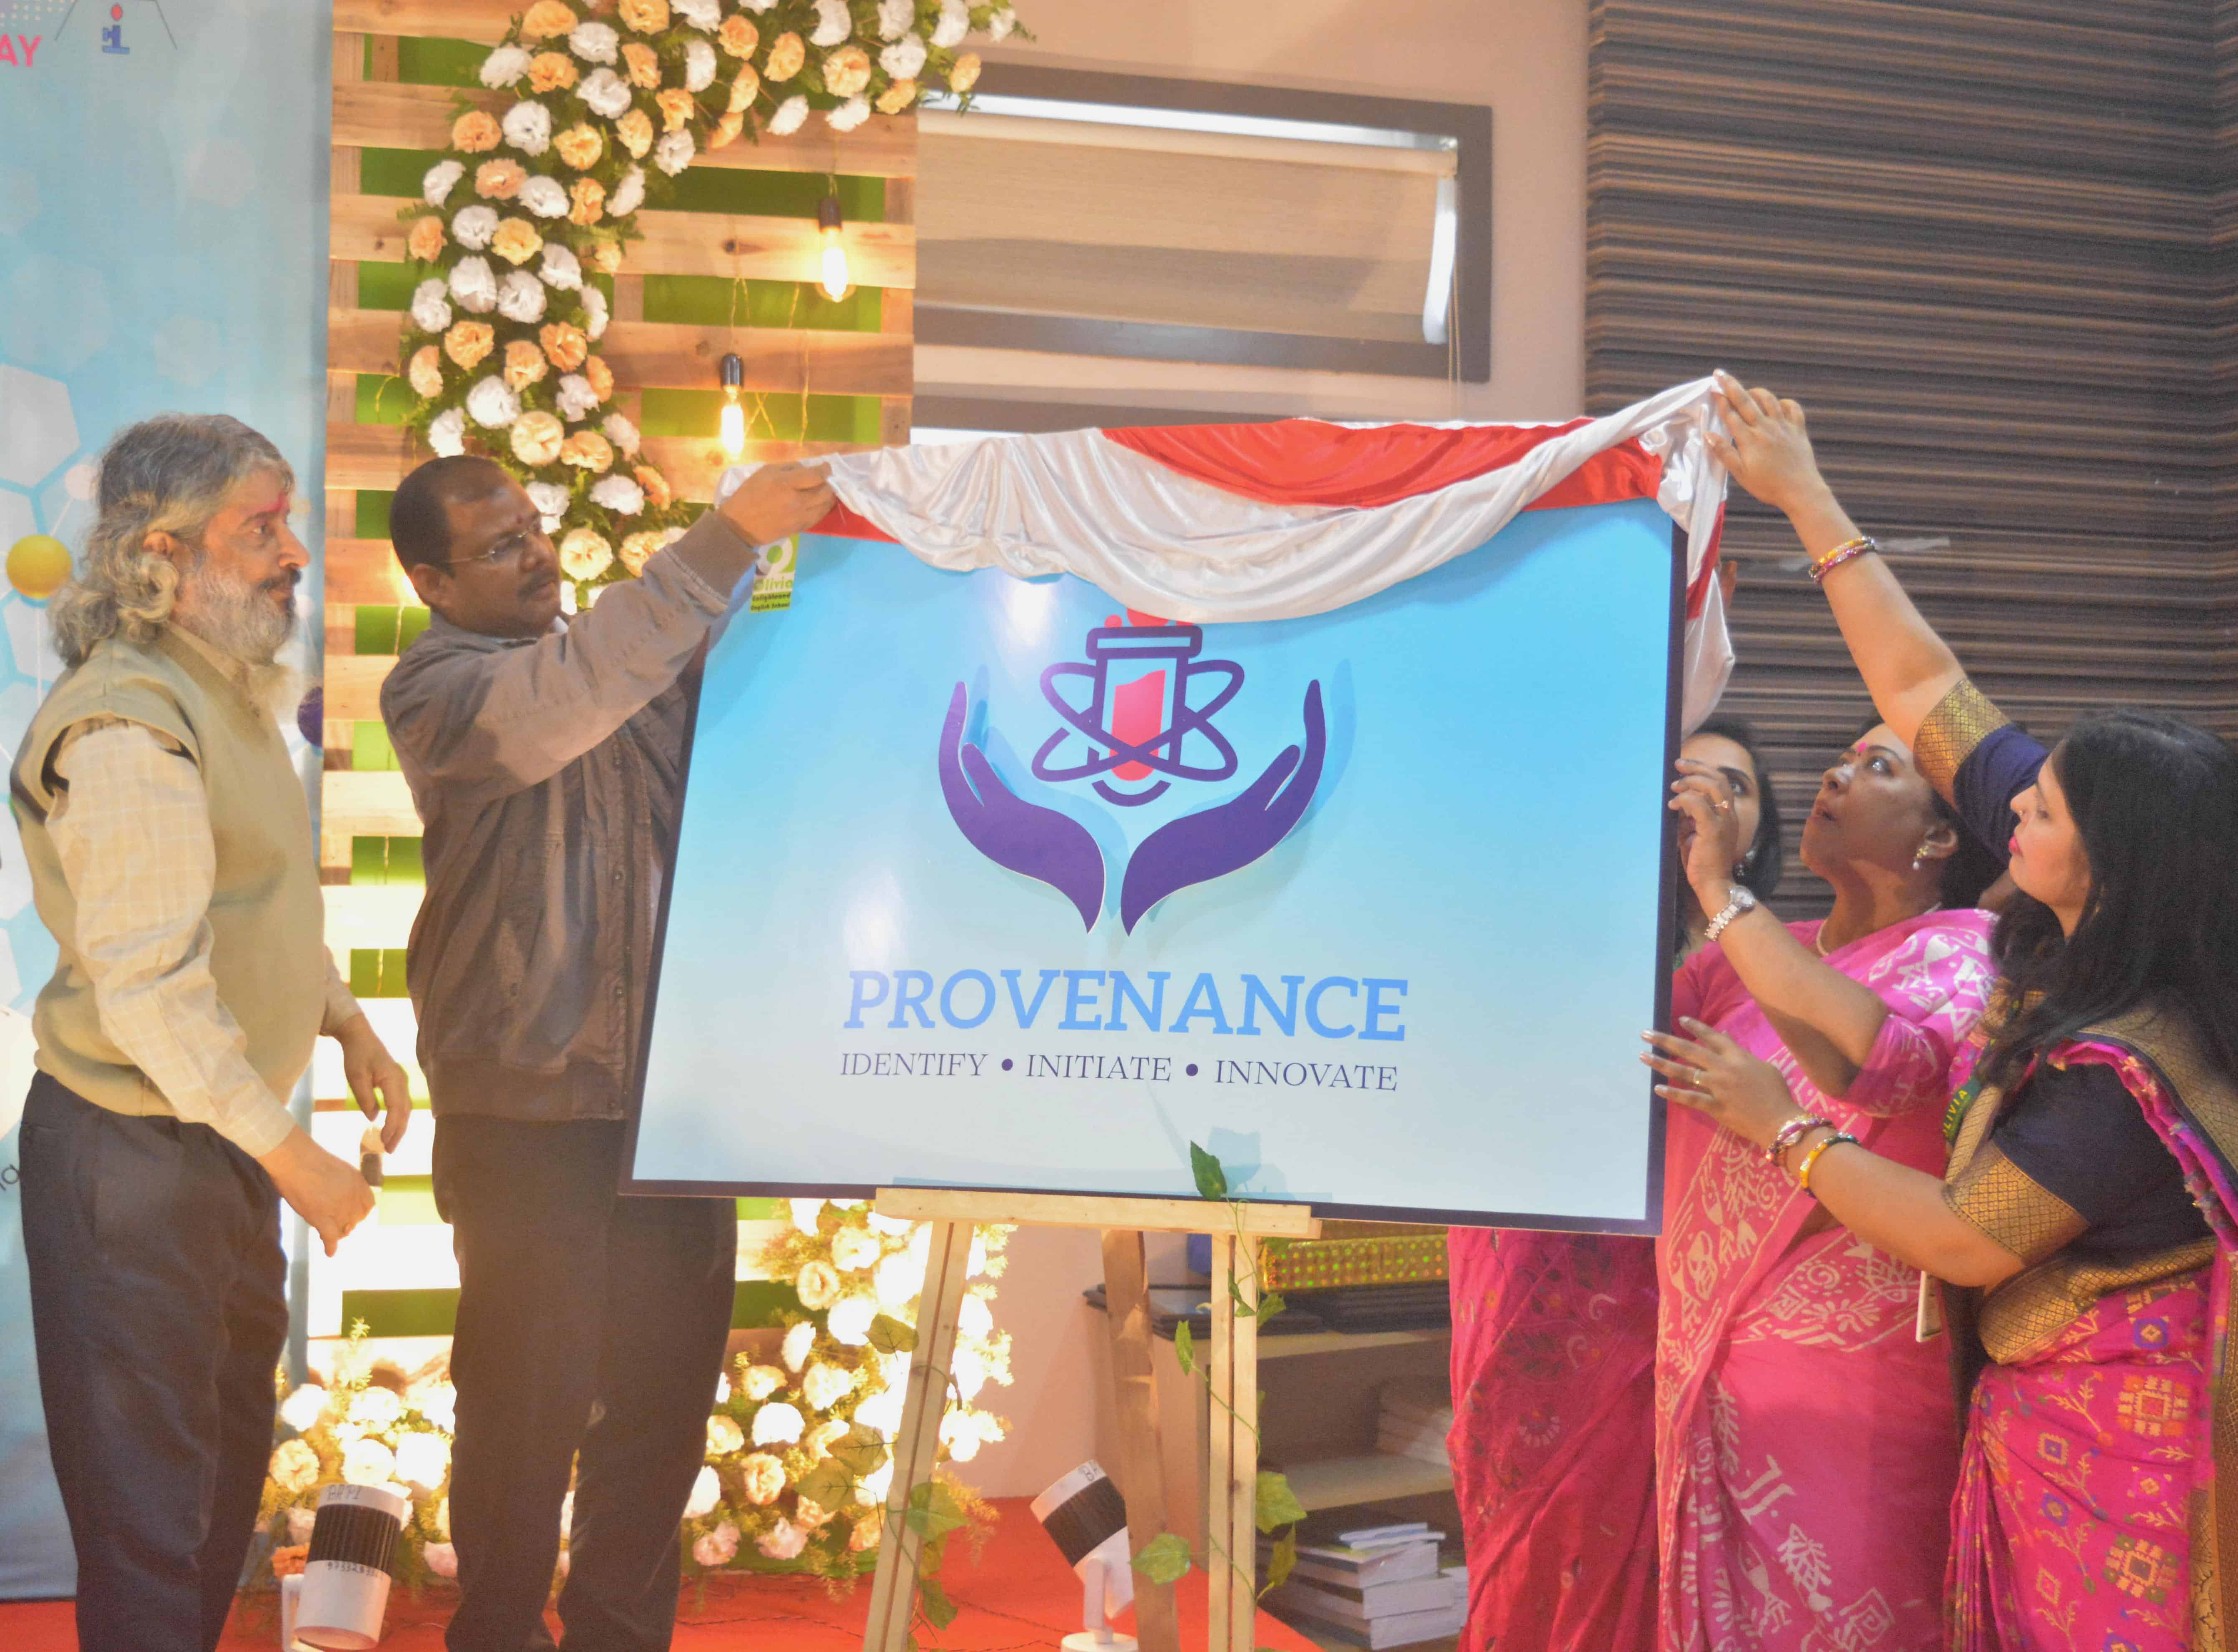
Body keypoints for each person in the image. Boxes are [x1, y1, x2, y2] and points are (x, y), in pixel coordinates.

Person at [1646, 374, 2238, 1652]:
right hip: (2019, 1409)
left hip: (2118, 1451)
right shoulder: (2076, 924)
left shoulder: (2126, 1069)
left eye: (2043, 806)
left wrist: (1782, 1129)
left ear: (2116, 867)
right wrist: (1805, 496)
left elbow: (1962, 1240)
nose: (2009, 805)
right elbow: (1925, 691)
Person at [380, 454, 834, 1652]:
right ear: (432, 583)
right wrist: (723, 538)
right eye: (498, 546)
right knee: (521, 1408)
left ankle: (622, 1637)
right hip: (527, 1112)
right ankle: (497, 1633)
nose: (535, 553)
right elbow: (572, 694)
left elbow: (745, 732)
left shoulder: (621, 658)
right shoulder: (437, 690)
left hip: (676, 1106)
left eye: (532, 528)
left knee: (661, 1409)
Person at [12, 414, 411, 1652]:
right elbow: (150, 989)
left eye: (288, 521)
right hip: (132, 1165)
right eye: (262, 527)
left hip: (211, 1146)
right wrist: (296, 1160)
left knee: (216, 1485)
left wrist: (344, 1021)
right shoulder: (130, 721)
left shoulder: (221, 688)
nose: (296, 552)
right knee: (150, 1516)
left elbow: (248, 905)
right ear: (162, 553)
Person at [1652, 705, 2001, 1652]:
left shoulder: (1964, 956)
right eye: (1842, 759)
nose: (1837, 776)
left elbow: (1885, 1065)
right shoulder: (1749, 959)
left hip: (1858, 1393)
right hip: (1714, 1372)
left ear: (1939, 837)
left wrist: (1722, 893)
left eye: (1879, 767)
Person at [1444, 714, 1781, 1652]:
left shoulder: (1781, 968)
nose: (1704, 798)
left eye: (1735, 785)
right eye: (1686, 778)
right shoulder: (1564, 941)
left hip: (1692, 1297)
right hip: (1541, 1277)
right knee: (1537, 1533)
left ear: (1760, 830)